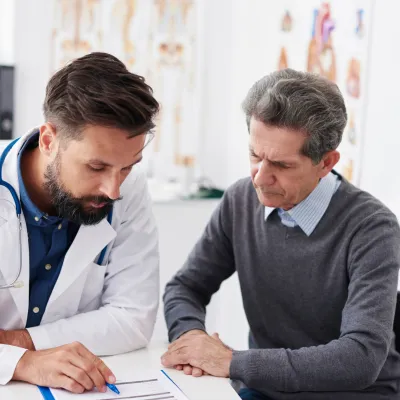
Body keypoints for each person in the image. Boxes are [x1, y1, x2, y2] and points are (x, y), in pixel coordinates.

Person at [161, 69, 400, 399]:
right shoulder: (240, 201)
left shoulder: (373, 229)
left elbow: (360, 358)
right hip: (265, 392)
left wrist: (231, 361)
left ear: (326, 162)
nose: (260, 178)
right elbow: (185, 287)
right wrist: (193, 344)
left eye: (282, 165)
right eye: (255, 156)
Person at [0, 52, 160, 394]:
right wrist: (22, 363)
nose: (114, 189)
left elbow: (133, 319)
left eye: (128, 166)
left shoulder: (128, 189)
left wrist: (21, 341)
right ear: (49, 141)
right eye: (97, 167)